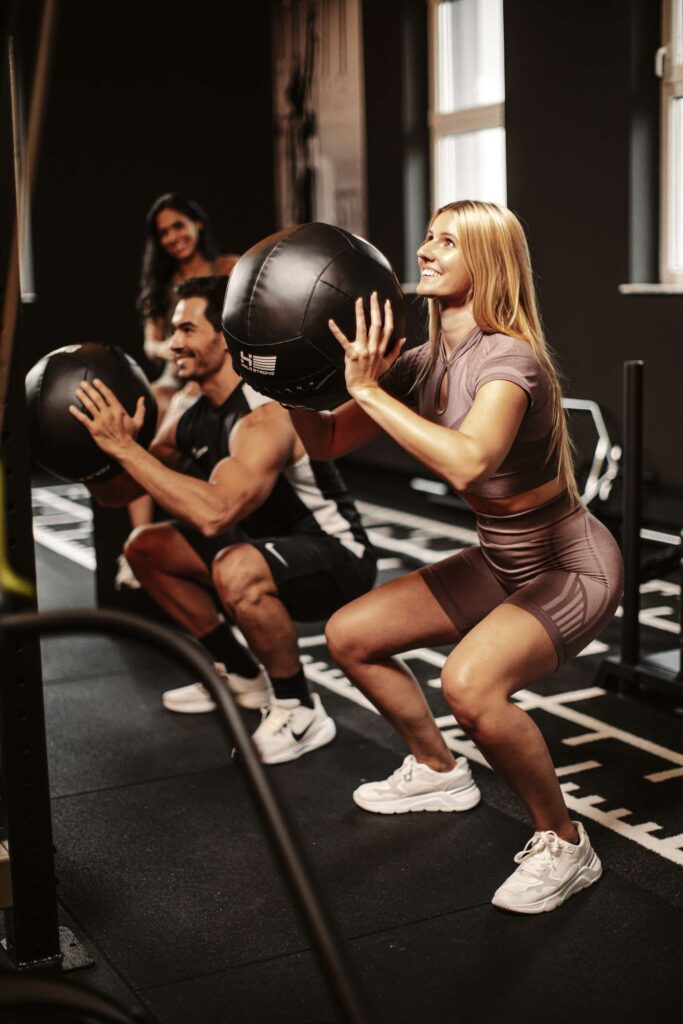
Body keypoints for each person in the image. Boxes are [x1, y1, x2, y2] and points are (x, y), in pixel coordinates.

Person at [288, 200, 624, 913]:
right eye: (428, 237)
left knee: (470, 687)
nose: (425, 251)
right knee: (350, 635)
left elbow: (469, 464)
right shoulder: (422, 358)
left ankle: (565, 844)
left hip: (569, 566)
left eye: (448, 241)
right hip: (500, 561)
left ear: (488, 264)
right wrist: (280, 368)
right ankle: (438, 770)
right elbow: (321, 441)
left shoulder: (509, 359)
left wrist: (366, 389)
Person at [70, 275, 377, 765]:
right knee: (145, 548)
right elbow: (124, 491)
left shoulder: (265, 411)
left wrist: (126, 448)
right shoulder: (190, 406)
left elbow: (216, 515)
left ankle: (299, 708)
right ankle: (242, 675)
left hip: (335, 557)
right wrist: (91, 454)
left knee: (234, 564)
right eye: (173, 330)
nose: (173, 344)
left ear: (224, 337)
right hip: (257, 549)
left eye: (187, 330)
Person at [116, 194, 240, 591]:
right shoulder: (161, 286)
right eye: (163, 233)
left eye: (178, 226)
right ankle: (135, 543)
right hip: (179, 371)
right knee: (148, 407)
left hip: (229, 364)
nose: (172, 237)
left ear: (197, 224)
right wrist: (179, 338)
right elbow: (152, 343)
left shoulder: (229, 268)